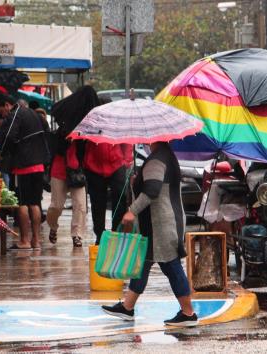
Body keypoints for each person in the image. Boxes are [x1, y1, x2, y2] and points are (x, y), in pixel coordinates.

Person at [102, 142, 198, 327]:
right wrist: (135, 183)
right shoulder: (163, 155)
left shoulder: (157, 159)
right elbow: (151, 186)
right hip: (157, 223)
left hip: (161, 224)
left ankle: (188, 313)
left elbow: (152, 190)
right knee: (143, 262)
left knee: (170, 265)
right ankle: (127, 307)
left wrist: (132, 211)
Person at [0, 94, 48, 250]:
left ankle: (24, 240)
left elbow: (9, 136)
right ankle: (36, 241)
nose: (3, 115)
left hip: (23, 166)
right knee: (35, 203)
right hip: (39, 165)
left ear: (7, 105)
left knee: (22, 203)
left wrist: (3, 152)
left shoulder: (16, 114)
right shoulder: (33, 114)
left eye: (1, 111)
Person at [84, 140, 133, 244]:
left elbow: (125, 138)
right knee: (97, 202)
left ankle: (117, 233)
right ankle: (99, 235)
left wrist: (126, 160)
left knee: (120, 199)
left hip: (117, 163)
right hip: (93, 164)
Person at [46, 124, 87, 247]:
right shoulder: (57, 134)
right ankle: (53, 226)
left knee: (80, 204)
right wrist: (66, 140)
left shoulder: (82, 133)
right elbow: (55, 150)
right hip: (59, 172)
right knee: (56, 206)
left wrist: (80, 139)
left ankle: (77, 235)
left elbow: (84, 153)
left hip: (76, 172)